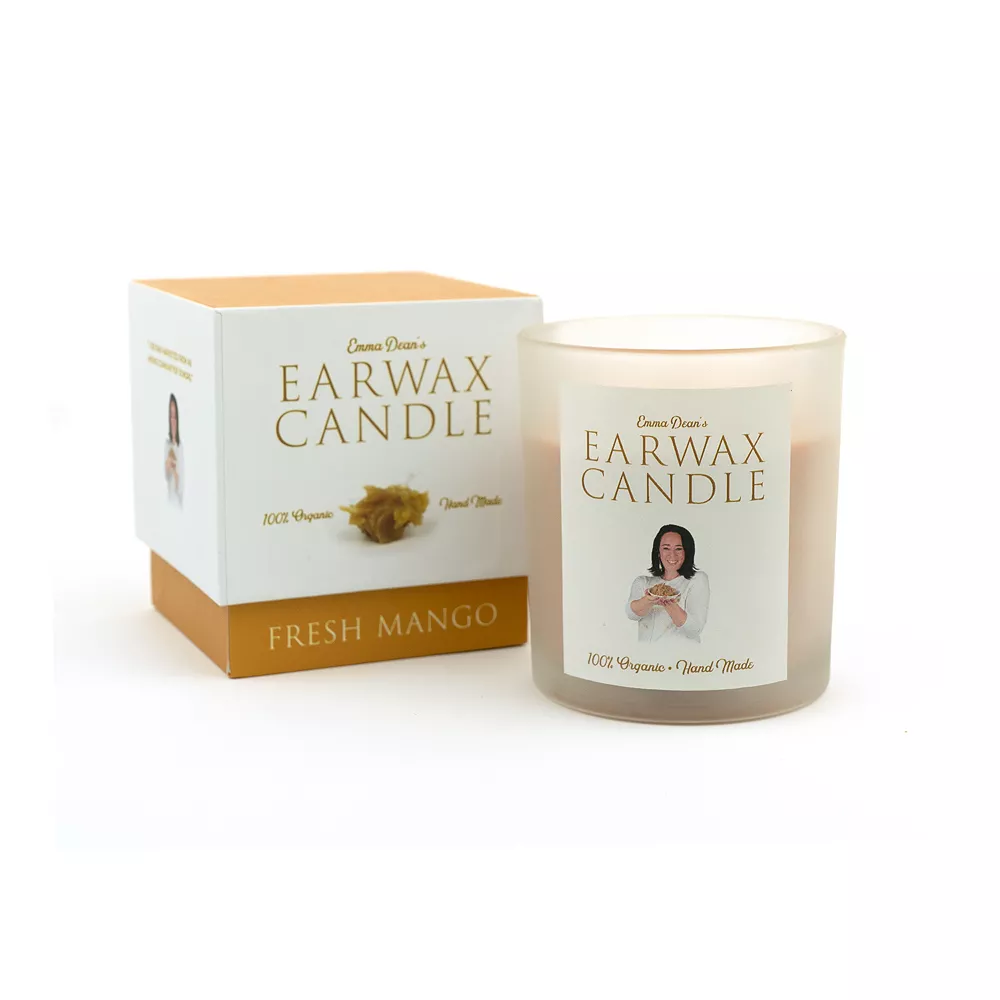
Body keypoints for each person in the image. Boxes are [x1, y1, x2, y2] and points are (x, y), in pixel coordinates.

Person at [626, 524, 709, 642]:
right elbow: (631, 614)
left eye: (678, 549)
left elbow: (694, 629)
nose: (672, 555)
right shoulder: (643, 582)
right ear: (658, 552)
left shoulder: (697, 579)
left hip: (682, 653)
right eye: (666, 548)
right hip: (646, 653)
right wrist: (648, 600)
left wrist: (670, 604)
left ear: (687, 552)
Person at [164, 393, 184, 507]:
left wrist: (176, 475)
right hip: (169, 500)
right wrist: (168, 466)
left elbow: (181, 485)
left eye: (175, 417)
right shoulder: (166, 445)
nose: (173, 421)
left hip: (178, 502)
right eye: (171, 417)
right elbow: (165, 476)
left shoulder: (180, 447)